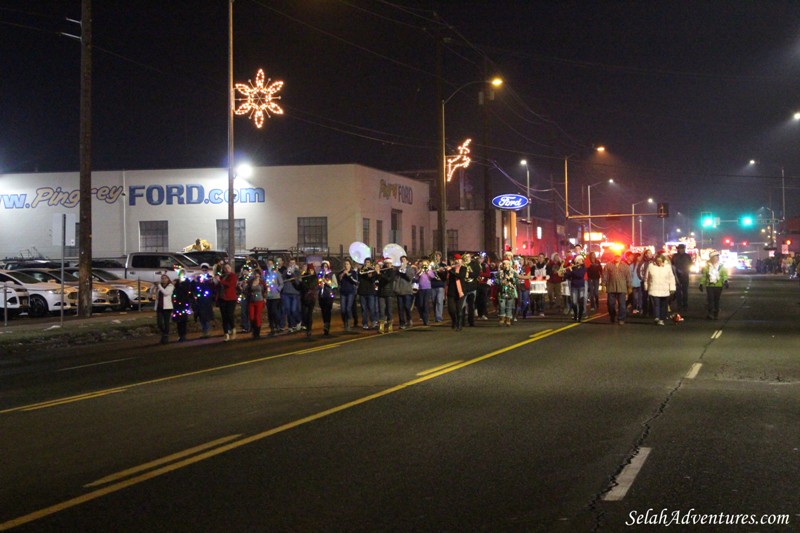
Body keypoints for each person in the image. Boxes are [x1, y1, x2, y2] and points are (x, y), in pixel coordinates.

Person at [645, 254, 677, 326]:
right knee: (656, 304)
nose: (659, 263)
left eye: (660, 261)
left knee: (663, 305)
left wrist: (672, 288)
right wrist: (646, 287)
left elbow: (671, 278)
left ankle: (661, 319)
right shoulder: (651, 266)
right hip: (654, 289)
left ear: (663, 261)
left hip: (664, 289)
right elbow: (647, 277)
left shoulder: (668, 267)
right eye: (657, 261)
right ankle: (657, 317)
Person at [602, 252, 632, 324]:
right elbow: (605, 275)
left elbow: (628, 277)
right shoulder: (608, 265)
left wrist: (629, 287)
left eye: (618, 256)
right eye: (616, 256)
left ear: (621, 257)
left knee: (622, 304)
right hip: (611, 288)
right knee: (610, 304)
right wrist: (603, 285)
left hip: (622, 288)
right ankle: (612, 316)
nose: (617, 258)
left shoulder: (625, 266)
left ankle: (621, 319)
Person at [699, 250, 729, 320]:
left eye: (717, 257)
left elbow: (724, 275)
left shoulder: (721, 267)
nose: (716, 258)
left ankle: (716, 313)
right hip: (710, 286)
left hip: (719, 286)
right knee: (710, 299)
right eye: (715, 257)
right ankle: (710, 313)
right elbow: (704, 276)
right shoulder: (707, 267)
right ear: (711, 258)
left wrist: (726, 281)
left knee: (716, 300)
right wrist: (701, 284)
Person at [215, 263, 238, 341]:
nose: (227, 269)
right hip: (222, 298)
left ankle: (233, 328)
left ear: (230, 268)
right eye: (225, 268)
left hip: (231, 299)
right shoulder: (222, 276)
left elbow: (230, 284)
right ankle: (226, 334)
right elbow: (217, 286)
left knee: (229, 314)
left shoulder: (233, 276)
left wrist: (220, 281)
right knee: (224, 317)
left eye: (228, 267)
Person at [193, 263, 216, 338]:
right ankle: (204, 331)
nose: (204, 271)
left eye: (205, 269)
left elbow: (213, 287)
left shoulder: (210, 278)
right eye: (203, 269)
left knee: (206, 315)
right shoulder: (199, 278)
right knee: (201, 315)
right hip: (200, 299)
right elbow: (195, 287)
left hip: (207, 299)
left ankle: (207, 331)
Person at [280, 258, 302, 332]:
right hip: (286, 293)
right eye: (290, 263)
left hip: (295, 293)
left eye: (293, 263)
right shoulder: (285, 271)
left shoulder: (297, 271)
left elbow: (299, 282)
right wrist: (287, 272)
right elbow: (282, 279)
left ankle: (298, 321)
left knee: (293, 310)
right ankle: (290, 326)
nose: (292, 264)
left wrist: (294, 272)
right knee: (288, 310)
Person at [446, 254, 468, 330]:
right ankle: (454, 321)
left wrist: (450, 270)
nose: (457, 261)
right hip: (451, 291)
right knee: (451, 310)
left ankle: (459, 324)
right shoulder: (451, 268)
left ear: (461, 261)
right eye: (456, 260)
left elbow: (459, 276)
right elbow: (444, 278)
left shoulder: (463, 268)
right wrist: (440, 272)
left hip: (460, 291)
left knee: (459, 310)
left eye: (459, 260)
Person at [375, 257, 397, 333]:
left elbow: (388, 279)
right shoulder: (382, 270)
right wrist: (377, 273)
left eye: (389, 263)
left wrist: (380, 274)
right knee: (381, 310)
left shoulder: (392, 271)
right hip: (381, 293)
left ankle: (390, 325)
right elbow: (377, 280)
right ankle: (381, 326)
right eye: (387, 263)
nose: (388, 265)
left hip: (389, 293)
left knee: (389, 310)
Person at [297, 263, 319, 337]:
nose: (310, 271)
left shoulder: (315, 278)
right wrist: (293, 282)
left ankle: (309, 330)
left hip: (311, 298)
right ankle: (306, 326)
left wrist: (302, 282)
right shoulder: (304, 276)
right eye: (309, 270)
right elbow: (299, 288)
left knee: (309, 315)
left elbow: (309, 286)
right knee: (304, 314)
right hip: (304, 298)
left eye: (312, 270)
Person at [171, 270, 194, 342]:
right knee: (178, 321)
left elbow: (187, 291)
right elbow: (175, 291)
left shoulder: (186, 283)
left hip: (184, 304)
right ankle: (180, 335)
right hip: (177, 304)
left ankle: (183, 335)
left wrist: (184, 282)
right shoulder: (177, 283)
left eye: (183, 274)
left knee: (183, 320)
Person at [153, 274, 174, 344]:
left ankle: (165, 336)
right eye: (162, 278)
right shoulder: (160, 286)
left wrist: (159, 286)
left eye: (165, 278)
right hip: (160, 306)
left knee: (166, 322)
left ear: (168, 279)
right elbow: (151, 293)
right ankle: (164, 334)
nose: (163, 280)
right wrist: (154, 286)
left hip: (167, 307)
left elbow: (166, 293)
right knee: (159, 323)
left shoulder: (171, 286)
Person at [495, 259, 518, 326]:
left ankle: (508, 319)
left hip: (510, 290)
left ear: (509, 265)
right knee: (502, 306)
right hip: (502, 290)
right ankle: (502, 318)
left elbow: (516, 281)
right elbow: (495, 280)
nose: (505, 265)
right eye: (504, 264)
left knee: (509, 306)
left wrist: (511, 279)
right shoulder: (499, 272)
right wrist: (500, 282)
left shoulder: (513, 272)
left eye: (507, 264)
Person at [338, 259, 359, 332]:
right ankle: (345, 322)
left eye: (347, 264)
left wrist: (349, 275)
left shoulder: (353, 272)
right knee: (343, 309)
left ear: (350, 265)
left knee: (348, 308)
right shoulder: (341, 272)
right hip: (343, 292)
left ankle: (348, 323)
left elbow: (356, 282)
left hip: (351, 292)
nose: (346, 265)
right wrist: (343, 274)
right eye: (345, 264)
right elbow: (339, 280)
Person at [394, 255, 415, 329]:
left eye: (404, 259)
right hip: (400, 291)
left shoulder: (410, 269)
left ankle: (409, 319)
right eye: (402, 260)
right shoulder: (398, 270)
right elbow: (395, 279)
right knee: (400, 308)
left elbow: (410, 278)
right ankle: (402, 323)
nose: (403, 261)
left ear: (407, 261)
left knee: (407, 306)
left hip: (407, 291)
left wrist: (404, 272)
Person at [671, 243, 692, 313]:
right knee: (678, 292)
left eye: (682, 248)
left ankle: (685, 305)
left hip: (685, 276)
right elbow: (672, 265)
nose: (680, 250)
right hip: (677, 276)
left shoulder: (687, 256)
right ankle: (679, 306)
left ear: (684, 249)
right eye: (679, 249)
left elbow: (690, 264)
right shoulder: (675, 256)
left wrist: (686, 270)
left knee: (685, 292)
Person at [357, 258, 378, 330]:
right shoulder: (361, 270)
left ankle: (374, 321)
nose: (367, 263)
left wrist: (371, 276)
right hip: (362, 291)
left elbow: (373, 280)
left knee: (372, 308)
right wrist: (363, 269)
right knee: (364, 309)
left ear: (370, 263)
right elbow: (359, 277)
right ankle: (365, 323)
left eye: (368, 262)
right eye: (366, 262)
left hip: (370, 291)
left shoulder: (372, 271)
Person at [565, 255, 587, 321]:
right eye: (579, 260)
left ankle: (579, 316)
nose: (581, 261)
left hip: (581, 286)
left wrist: (571, 271)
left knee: (581, 302)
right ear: (576, 261)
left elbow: (579, 275)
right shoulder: (573, 268)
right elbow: (568, 276)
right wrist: (565, 272)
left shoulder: (583, 268)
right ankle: (575, 315)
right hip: (574, 286)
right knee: (574, 302)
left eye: (582, 260)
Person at [246, 274, 266, 338]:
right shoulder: (250, 282)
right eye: (255, 274)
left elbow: (265, 290)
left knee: (257, 316)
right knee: (251, 317)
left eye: (258, 274)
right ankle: (253, 329)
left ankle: (257, 333)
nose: (257, 276)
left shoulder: (262, 282)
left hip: (259, 301)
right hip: (252, 301)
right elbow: (247, 290)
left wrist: (264, 298)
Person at [463, 253, 480, 326]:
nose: (467, 258)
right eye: (466, 257)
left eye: (468, 257)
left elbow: (476, 274)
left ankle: (471, 321)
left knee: (471, 305)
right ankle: (462, 321)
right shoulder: (462, 265)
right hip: (464, 287)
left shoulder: (475, 264)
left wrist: (468, 273)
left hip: (472, 286)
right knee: (462, 305)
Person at [430, 251, 447, 322]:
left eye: (437, 256)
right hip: (433, 285)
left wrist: (441, 272)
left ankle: (439, 317)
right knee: (434, 301)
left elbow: (445, 275)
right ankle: (436, 315)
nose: (436, 257)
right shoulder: (431, 265)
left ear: (440, 257)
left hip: (440, 285)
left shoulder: (443, 265)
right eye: (435, 256)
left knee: (439, 301)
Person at [416, 259, 433, 325]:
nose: (424, 266)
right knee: (420, 304)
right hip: (420, 289)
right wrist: (419, 272)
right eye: (423, 264)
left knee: (425, 304)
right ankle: (422, 316)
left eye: (426, 264)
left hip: (427, 289)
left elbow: (432, 276)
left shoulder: (429, 270)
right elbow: (415, 278)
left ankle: (426, 320)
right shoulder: (420, 270)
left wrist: (427, 271)